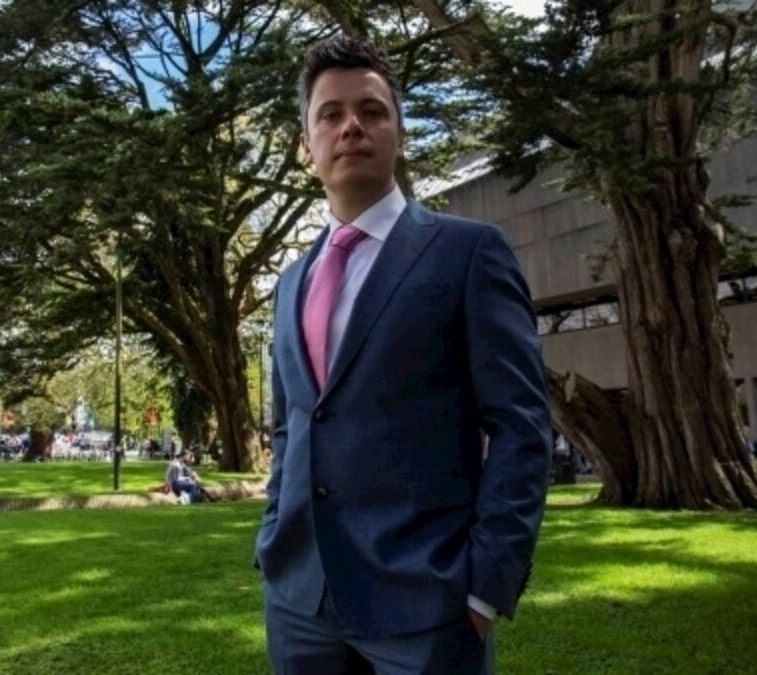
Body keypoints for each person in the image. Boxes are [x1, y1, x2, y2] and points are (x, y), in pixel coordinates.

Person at [254, 37, 552, 675]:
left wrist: (486, 585)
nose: (351, 126)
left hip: (429, 606)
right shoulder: (289, 283)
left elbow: (521, 426)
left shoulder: (469, 253)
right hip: (300, 603)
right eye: (330, 114)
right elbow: (291, 427)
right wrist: (273, 540)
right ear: (306, 145)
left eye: (372, 111)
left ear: (400, 134)